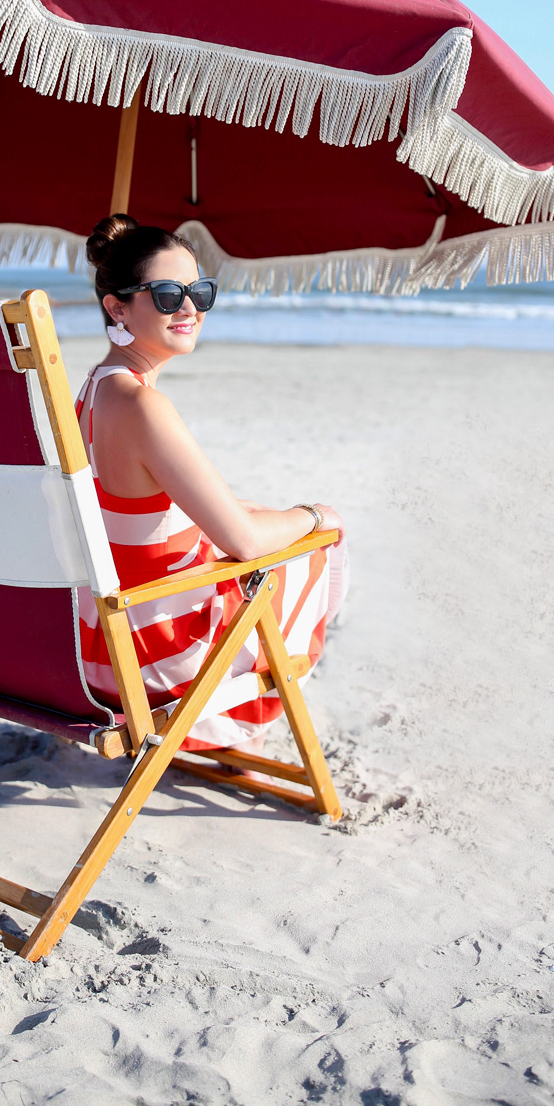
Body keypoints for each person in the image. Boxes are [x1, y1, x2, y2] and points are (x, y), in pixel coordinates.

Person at [76, 214, 348, 754]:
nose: (190, 308)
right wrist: (318, 516)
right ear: (118, 306)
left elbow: (137, 514)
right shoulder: (141, 405)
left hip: (92, 649)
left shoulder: (92, 391)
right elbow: (242, 542)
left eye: (200, 291)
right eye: (169, 292)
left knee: (264, 524)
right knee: (309, 551)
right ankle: (228, 736)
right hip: (151, 661)